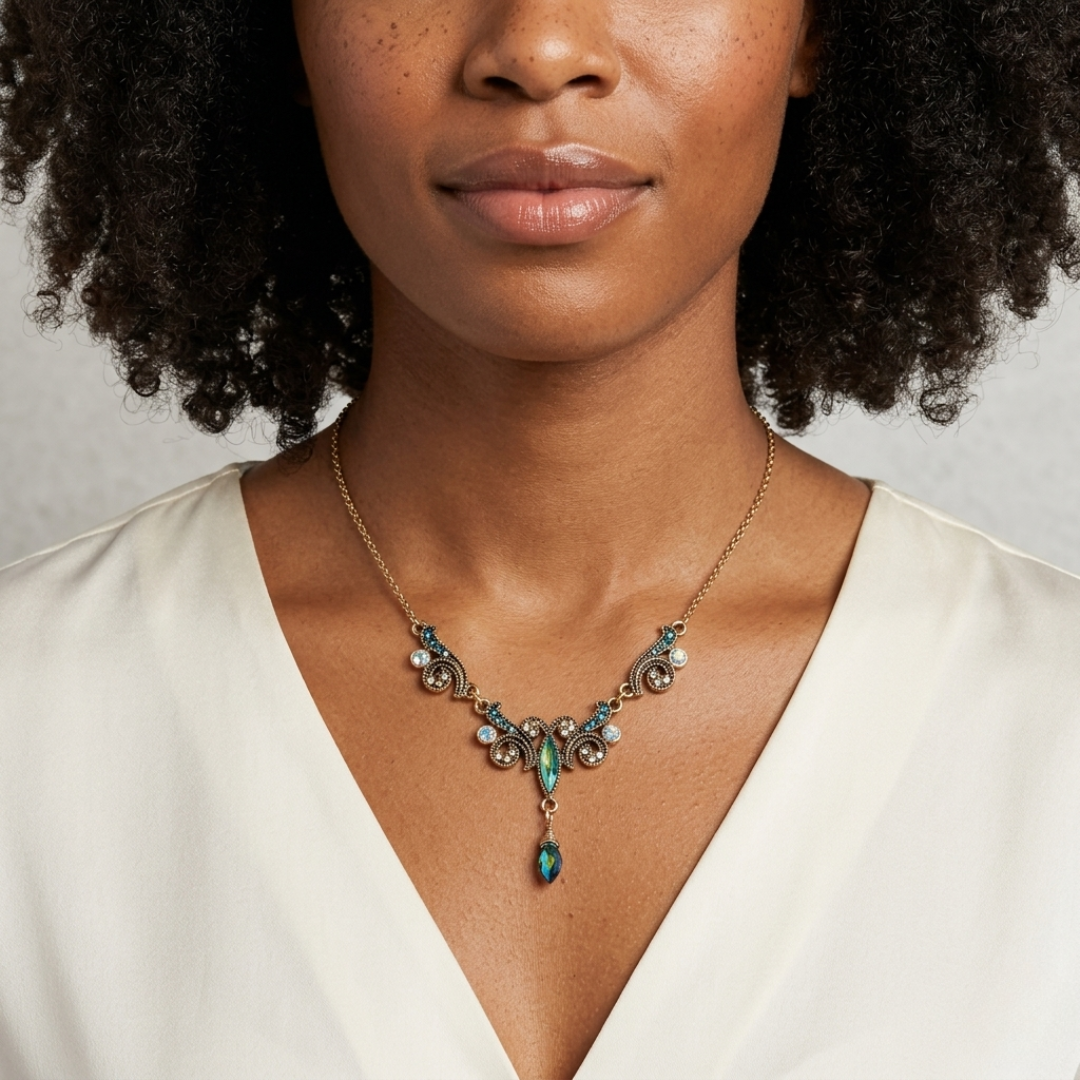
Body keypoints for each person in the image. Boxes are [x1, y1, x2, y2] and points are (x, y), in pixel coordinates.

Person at [1, 0, 1079, 1076]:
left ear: (816, 29)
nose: (541, 47)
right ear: (280, 30)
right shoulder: (29, 720)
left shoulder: (1052, 725)